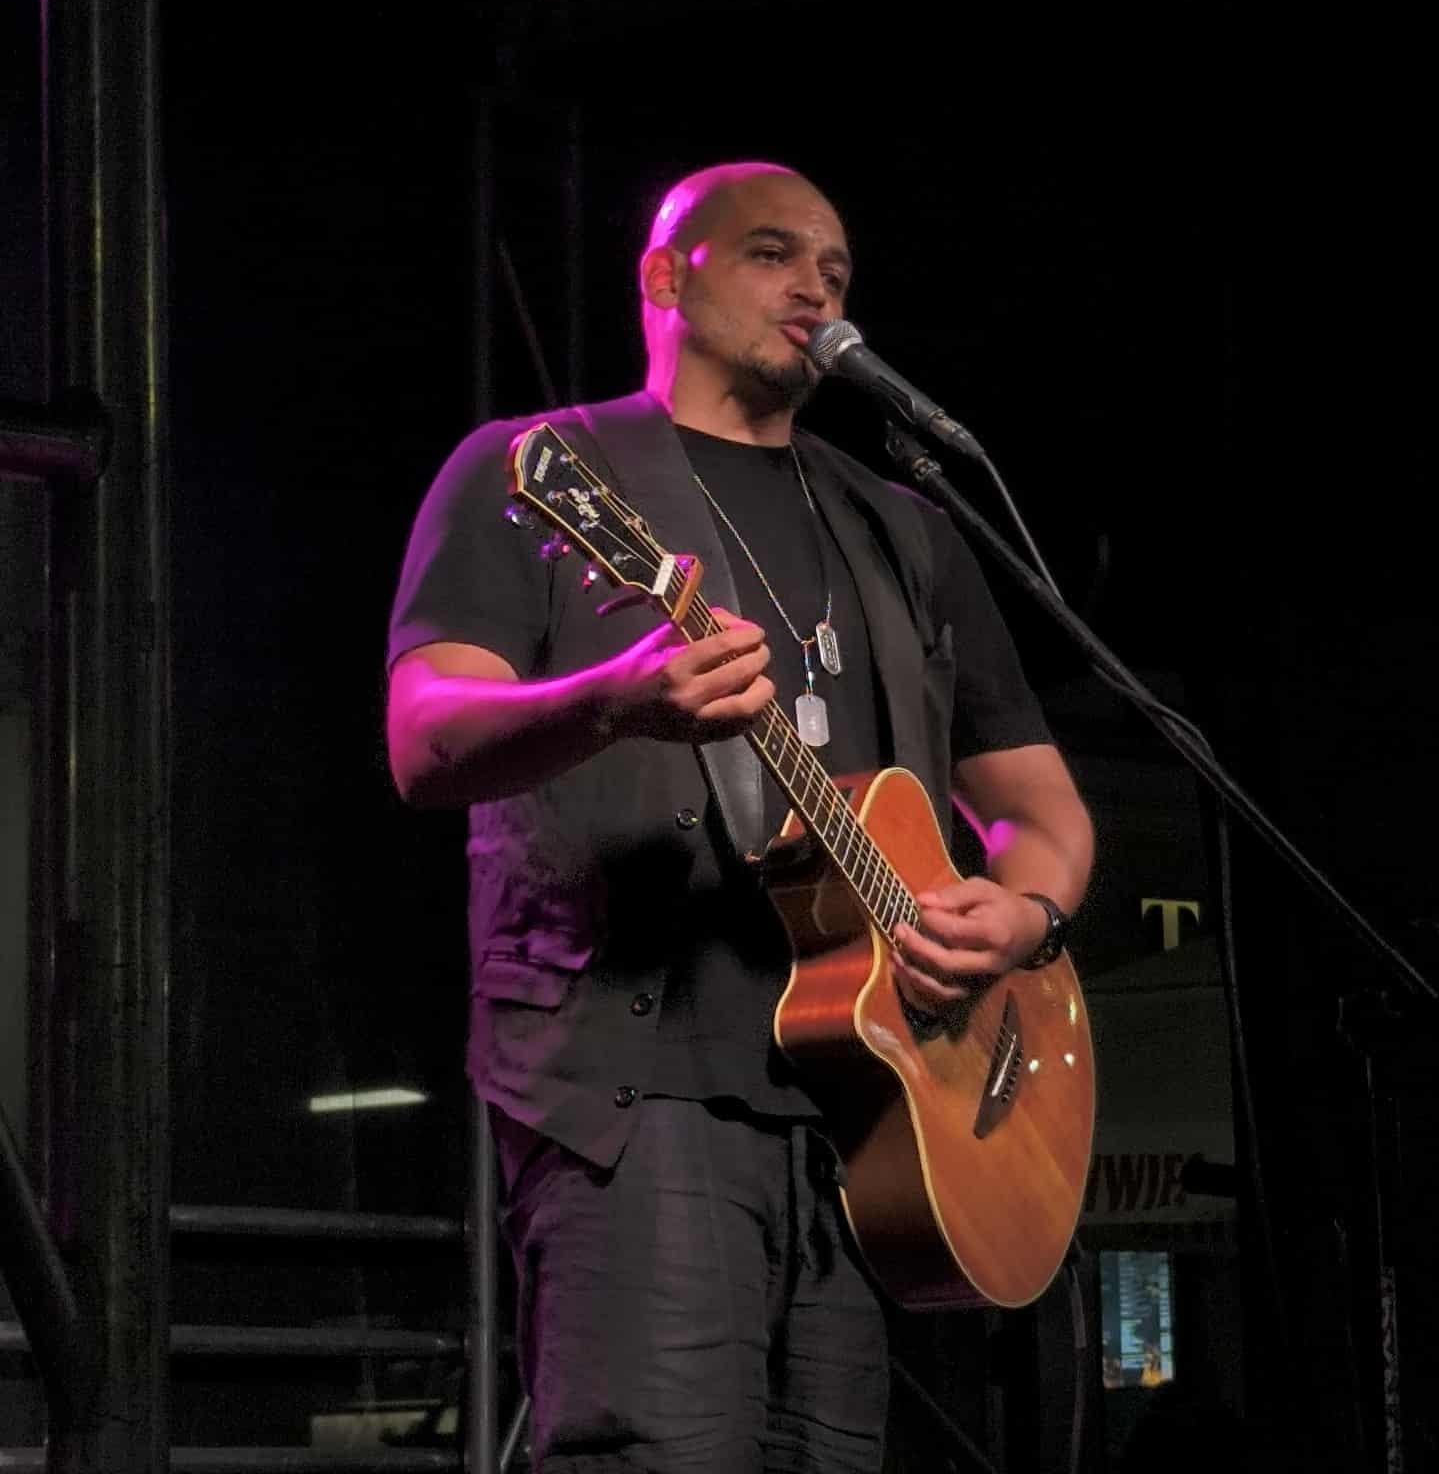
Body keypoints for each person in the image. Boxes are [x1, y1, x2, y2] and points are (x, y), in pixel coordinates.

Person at [386, 161, 1095, 1474]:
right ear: (667, 276)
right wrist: (612, 702)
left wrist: (1025, 911)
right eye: (774, 255)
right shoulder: (544, 470)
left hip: (874, 1114)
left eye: (836, 271)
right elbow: (422, 739)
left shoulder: (906, 530)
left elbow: (1041, 811)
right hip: (640, 1086)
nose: (816, 289)